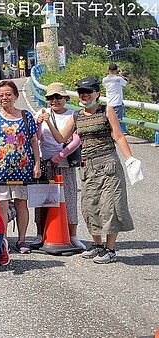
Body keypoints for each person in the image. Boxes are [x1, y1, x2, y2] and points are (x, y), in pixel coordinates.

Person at [41, 77, 135, 264]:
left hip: (108, 163)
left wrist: (130, 158)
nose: (84, 95)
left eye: (88, 91)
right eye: (81, 92)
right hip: (88, 166)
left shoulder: (106, 111)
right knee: (90, 206)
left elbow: (118, 135)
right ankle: (97, 245)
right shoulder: (77, 116)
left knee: (110, 207)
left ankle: (110, 249)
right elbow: (61, 138)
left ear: (97, 93)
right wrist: (48, 121)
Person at [0, 80, 41, 254]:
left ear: (15, 95)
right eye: (1, 95)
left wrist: (37, 164)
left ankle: (22, 240)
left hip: (22, 168)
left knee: (21, 205)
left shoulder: (25, 115)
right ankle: (4, 239)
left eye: (8, 94)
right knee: (1, 205)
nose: (4, 98)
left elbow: (33, 141)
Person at [32, 83, 85, 250]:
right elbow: (37, 137)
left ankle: (73, 235)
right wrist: (39, 123)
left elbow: (76, 140)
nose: (55, 101)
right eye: (51, 98)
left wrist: (59, 156)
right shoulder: (41, 113)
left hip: (64, 162)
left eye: (58, 97)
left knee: (68, 197)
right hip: (45, 160)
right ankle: (40, 234)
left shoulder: (73, 115)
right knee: (42, 198)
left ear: (65, 98)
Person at [102, 63, 128, 133]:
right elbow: (125, 83)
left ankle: (111, 135)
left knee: (109, 120)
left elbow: (104, 86)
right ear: (116, 70)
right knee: (117, 122)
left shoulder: (104, 79)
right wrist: (121, 75)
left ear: (108, 70)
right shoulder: (118, 79)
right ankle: (115, 136)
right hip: (117, 103)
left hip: (109, 103)